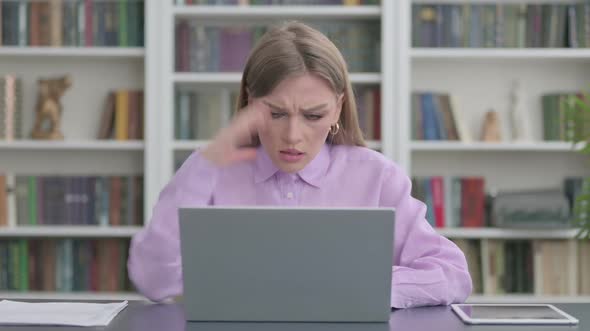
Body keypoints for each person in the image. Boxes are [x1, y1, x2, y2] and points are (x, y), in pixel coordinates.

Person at [128, 21, 472, 309]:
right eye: (275, 113)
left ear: (337, 109)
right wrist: (204, 164)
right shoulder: (211, 173)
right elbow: (152, 280)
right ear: (250, 101)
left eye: (313, 115)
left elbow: (453, 274)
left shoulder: (377, 177)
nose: (292, 135)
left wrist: (364, 288)